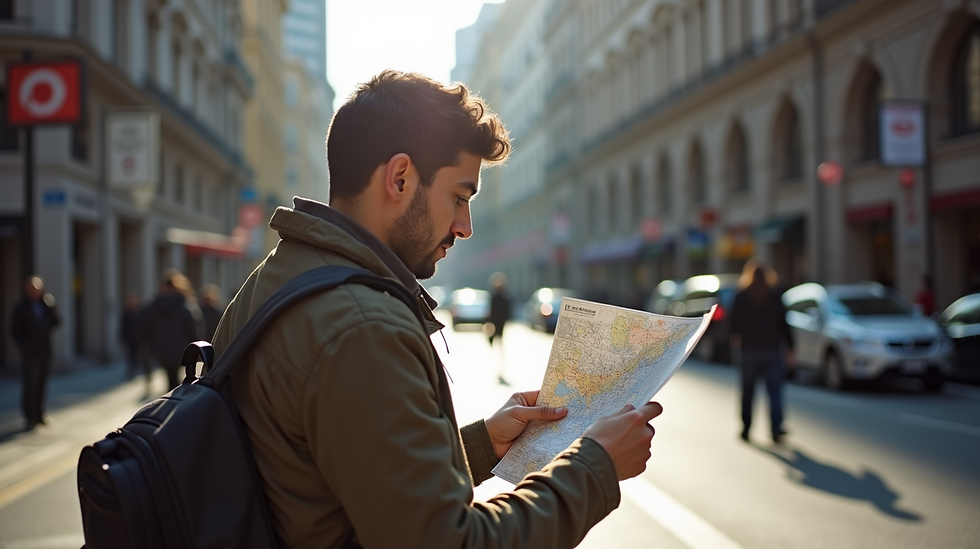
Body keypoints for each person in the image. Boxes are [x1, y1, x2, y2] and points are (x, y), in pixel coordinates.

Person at [212, 70, 665, 549]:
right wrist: (596, 466)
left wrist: (483, 444)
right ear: (400, 178)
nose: (464, 226)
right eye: (459, 196)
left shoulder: (282, 277)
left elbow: (351, 485)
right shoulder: (361, 326)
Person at [730, 258, 795, 444]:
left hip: (748, 351)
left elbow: (733, 324)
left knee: (748, 391)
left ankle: (746, 429)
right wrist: (791, 349)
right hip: (771, 350)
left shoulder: (741, 296)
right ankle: (776, 429)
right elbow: (784, 325)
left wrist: (736, 338)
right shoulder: (774, 295)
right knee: (774, 391)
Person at [10, 275, 60, 430]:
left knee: (42, 383)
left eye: (38, 289)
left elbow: (57, 321)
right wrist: (24, 345)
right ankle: (29, 415)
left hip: (45, 350)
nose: (35, 292)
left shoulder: (45, 304)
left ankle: (39, 413)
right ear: (27, 290)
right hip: (30, 353)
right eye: (32, 289)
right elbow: (14, 330)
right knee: (30, 384)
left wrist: (50, 305)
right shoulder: (21, 307)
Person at [142, 269, 205, 391]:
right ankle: (176, 399)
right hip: (181, 349)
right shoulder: (186, 306)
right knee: (176, 378)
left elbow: (145, 329)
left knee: (170, 377)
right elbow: (193, 329)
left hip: (160, 349)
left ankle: (172, 397)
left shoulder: (153, 307)